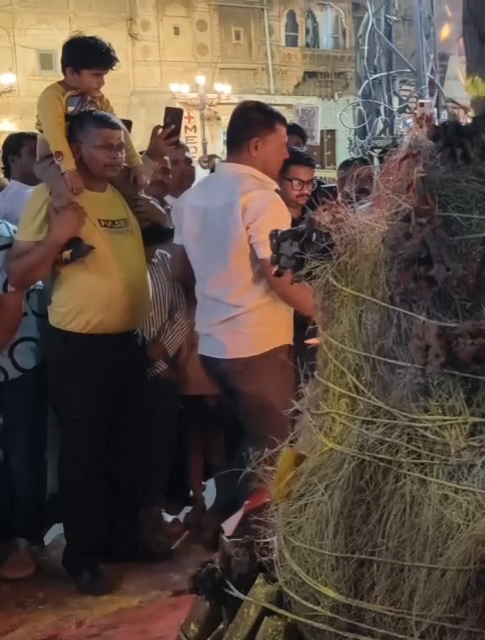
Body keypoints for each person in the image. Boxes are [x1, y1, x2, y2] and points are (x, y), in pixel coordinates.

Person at [6, 110, 156, 595]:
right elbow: (18, 272)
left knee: (129, 447)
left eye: (119, 146)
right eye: (104, 146)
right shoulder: (52, 198)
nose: (116, 154)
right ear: (76, 151)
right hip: (79, 345)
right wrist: (59, 234)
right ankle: (83, 557)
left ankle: (120, 538)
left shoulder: (115, 194)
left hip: (126, 342)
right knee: (83, 455)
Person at [171, 101, 314, 541]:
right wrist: (324, 311)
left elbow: (179, 270)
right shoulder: (261, 198)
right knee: (272, 449)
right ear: (255, 145)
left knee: (239, 444)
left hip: (214, 344)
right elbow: (280, 275)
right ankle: (258, 542)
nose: (283, 157)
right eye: (278, 148)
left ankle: (217, 524)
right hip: (257, 345)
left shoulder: (194, 197)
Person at [33, 36, 167, 242]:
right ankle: (68, 241)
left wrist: (134, 163)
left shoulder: (98, 99)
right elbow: (55, 136)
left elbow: (119, 130)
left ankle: (143, 230)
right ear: (70, 72)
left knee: (130, 186)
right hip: (52, 157)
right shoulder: (52, 96)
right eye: (96, 75)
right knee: (65, 192)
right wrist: (69, 170)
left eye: (103, 75)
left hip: (86, 157)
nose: (101, 82)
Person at [136, 225, 190, 543]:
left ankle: (153, 513)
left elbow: (181, 312)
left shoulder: (165, 264)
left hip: (164, 374)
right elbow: (121, 322)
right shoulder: (118, 268)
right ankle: (131, 518)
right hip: (131, 376)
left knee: (161, 448)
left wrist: (163, 353)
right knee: (132, 450)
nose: (155, 252)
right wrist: (156, 364)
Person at [0, 217, 47, 581]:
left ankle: (25, 542)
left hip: (15, 364)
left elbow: (10, 307)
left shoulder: (4, 235)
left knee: (22, 458)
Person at [278, 147, 320, 383]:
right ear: (279, 179)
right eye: (297, 183)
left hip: (311, 324)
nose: (305, 190)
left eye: (310, 183)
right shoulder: (271, 222)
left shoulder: (316, 223)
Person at [0, 132, 39, 225]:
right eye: (34, 152)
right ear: (12, 160)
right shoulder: (3, 204)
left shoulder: (53, 193)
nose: (40, 158)